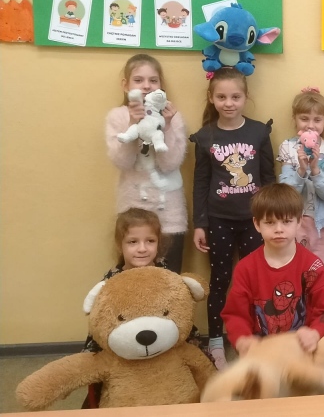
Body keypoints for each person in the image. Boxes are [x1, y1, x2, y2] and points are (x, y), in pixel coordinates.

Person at [221, 184, 324, 393]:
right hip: (266, 350)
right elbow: (235, 315)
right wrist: (242, 340)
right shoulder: (246, 268)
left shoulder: (313, 265)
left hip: (311, 347)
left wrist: (315, 333)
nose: (279, 229)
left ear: (298, 222)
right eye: (270, 222)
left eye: (286, 221)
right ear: (257, 224)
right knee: (246, 390)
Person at [190, 67, 276, 370]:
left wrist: (270, 219)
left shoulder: (258, 132)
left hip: (254, 220)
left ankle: (253, 337)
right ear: (211, 98)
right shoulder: (205, 136)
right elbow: (200, 183)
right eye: (222, 97)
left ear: (245, 97)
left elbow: (268, 177)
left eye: (235, 97)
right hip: (219, 220)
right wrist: (200, 223)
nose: (229, 103)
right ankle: (216, 341)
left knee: (255, 280)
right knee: (221, 279)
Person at [80, 208, 205, 408]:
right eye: (133, 242)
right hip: (126, 355)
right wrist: (90, 356)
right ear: (120, 245)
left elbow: (177, 311)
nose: (142, 248)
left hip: (163, 349)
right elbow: (103, 320)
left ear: (159, 243)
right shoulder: (112, 280)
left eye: (150, 241)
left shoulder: (164, 272)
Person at [105, 54, 187, 274]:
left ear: (161, 85)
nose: (146, 86)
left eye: (153, 80)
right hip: (132, 215)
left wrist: (166, 127)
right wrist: (133, 124)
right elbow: (122, 162)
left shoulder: (173, 117)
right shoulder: (117, 116)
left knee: (169, 282)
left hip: (169, 217)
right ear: (126, 85)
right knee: (134, 283)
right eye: (138, 80)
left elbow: (170, 164)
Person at [277, 87, 324, 291]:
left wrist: (315, 170)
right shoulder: (288, 147)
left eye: (317, 119)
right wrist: (301, 170)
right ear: (295, 120)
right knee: (293, 279)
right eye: (304, 118)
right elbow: (285, 194)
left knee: (322, 280)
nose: (310, 125)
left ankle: (323, 313)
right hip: (294, 223)